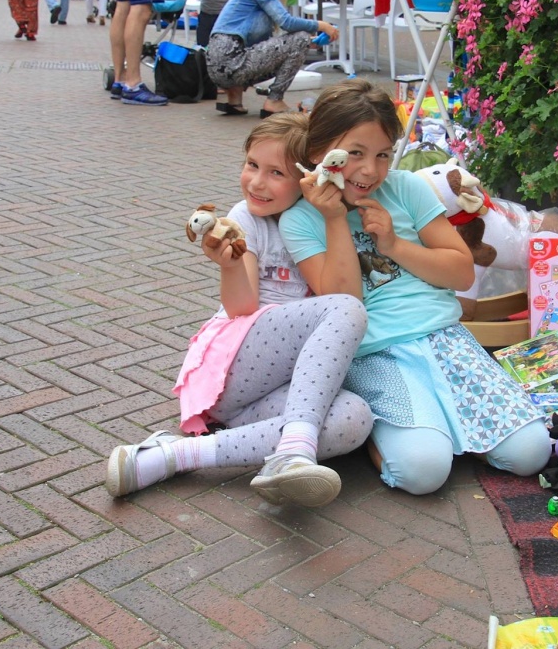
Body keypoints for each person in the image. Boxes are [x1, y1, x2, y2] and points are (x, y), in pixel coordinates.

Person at [278, 80, 554, 496]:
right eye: (354, 153)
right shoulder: (301, 220)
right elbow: (344, 302)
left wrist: (393, 244)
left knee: (533, 453)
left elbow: (461, 273)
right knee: (423, 474)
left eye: (383, 154)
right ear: (319, 151)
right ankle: (387, 434)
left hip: (445, 337)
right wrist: (335, 218)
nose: (370, 170)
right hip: (377, 351)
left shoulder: (406, 189)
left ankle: (450, 430)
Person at [106, 113, 372, 506]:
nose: (257, 182)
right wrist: (230, 265)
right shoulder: (244, 218)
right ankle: (294, 450)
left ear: (305, 178)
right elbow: (241, 307)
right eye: (252, 166)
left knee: (355, 418)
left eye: (276, 173)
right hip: (235, 365)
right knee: (347, 310)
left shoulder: (319, 222)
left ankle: (170, 456)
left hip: (266, 393)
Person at [206, 0, 338, 119]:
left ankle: (234, 100)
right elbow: (287, 23)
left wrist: (311, 42)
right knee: (300, 38)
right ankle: (274, 100)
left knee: (300, 41)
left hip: (218, 65)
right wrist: (321, 25)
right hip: (231, 59)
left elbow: (268, 47)